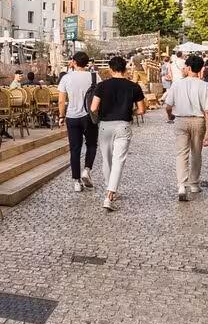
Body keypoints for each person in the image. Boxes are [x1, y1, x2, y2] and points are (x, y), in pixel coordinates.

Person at [90, 56, 145, 211]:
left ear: (110, 69)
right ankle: (110, 194)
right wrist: (130, 112)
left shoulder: (102, 86)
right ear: (125, 69)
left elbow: (93, 108)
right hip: (123, 125)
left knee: (107, 161)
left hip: (105, 126)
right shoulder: (134, 87)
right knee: (118, 160)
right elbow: (141, 110)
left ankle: (110, 191)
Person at [165, 55, 208, 202]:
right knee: (196, 153)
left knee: (181, 154)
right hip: (198, 121)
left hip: (181, 120)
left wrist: (170, 116)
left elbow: (168, 106)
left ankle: (182, 185)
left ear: (188, 68)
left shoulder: (177, 85)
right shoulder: (205, 86)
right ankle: (194, 184)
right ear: (200, 69)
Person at [58, 52, 101, 192]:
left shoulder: (66, 78)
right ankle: (87, 170)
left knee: (75, 149)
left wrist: (61, 116)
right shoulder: (95, 76)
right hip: (90, 116)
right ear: (87, 63)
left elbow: (61, 101)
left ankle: (76, 181)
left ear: (74, 62)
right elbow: (100, 97)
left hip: (72, 117)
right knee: (92, 144)